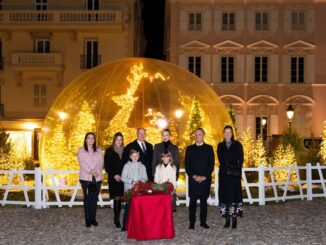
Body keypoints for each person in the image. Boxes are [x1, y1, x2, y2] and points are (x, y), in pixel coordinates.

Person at [185, 128, 215, 230]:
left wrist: (204, 176)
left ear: (203, 135)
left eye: (200, 134)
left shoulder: (209, 148)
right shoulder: (189, 149)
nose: (198, 136)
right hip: (193, 180)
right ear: (195, 136)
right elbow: (187, 165)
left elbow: (211, 165)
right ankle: (192, 223)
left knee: (203, 203)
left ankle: (203, 222)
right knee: (192, 203)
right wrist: (194, 176)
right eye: (196, 134)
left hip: (205, 180)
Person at [217, 125, 244, 229]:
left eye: (229, 132)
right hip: (224, 175)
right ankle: (227, 219)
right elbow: (221, 159)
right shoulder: (220, 145)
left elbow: (241, 159)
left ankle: (234, 219)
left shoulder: (238, 145)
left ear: (232, 134)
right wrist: (233, 161)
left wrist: (235, 166)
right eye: (226, 132)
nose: (228, 134)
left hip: (234, 176)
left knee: (234, 197)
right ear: (223, 134)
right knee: (225, 197)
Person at [78, 132, 104, 227]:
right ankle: (87, 219)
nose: (91, 140)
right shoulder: (81, 150)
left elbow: (101, 161)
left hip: (97, 178)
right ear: (85, 139)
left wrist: (95, 170)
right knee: (87, 199)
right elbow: (82, 162)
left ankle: (93, 218)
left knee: (94, 199)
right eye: (88, 138)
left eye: (92, 138)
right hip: (86, 178)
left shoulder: (99, 150)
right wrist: (91, 171)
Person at [120, 149, 148, 231]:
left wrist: (139, 182)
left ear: (139, 156)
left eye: (136, 156)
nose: (135, 157)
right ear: (130, 157)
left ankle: (138, 225)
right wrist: (132, 181)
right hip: (129, 190)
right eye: (133, 156)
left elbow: (145, 178)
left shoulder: (142, 166)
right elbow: (123, 177)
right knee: (128, 208)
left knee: (139, 208)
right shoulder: (126, 166)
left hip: (139, 189)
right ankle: (125, 225)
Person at [104, 132, 125, 228]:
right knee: (116, 198)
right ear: (114, 140)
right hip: (114, 178)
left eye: (121, 139)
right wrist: (114, 175)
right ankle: (116, 219)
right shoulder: (109, 151)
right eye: (117, 139)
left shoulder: (125, 151)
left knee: (120, 198)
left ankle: (118, 216)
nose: (119, 141)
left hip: (123, 178)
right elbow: (107, 166)